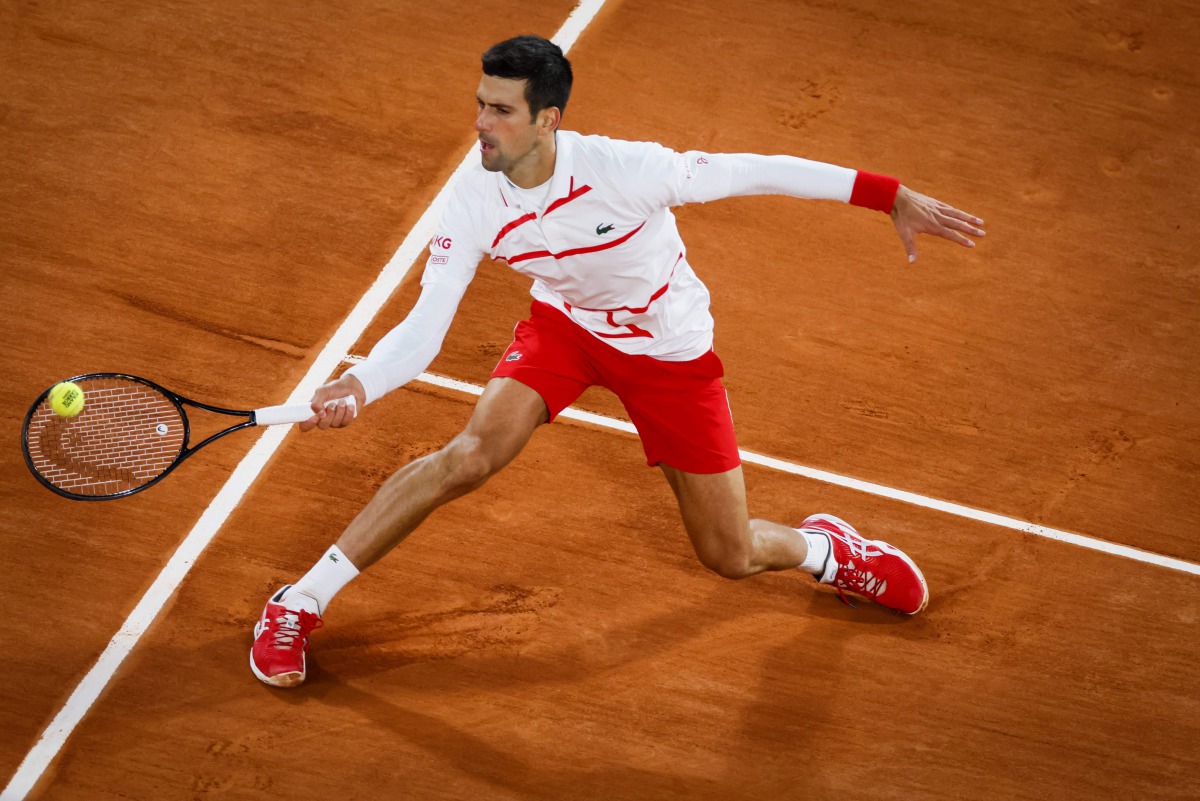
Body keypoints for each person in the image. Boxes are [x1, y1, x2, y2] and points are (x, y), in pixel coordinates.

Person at [250, 35, 985, 688]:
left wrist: (887, 195)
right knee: (470, 453)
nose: (480, 124)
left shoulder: (627, 170)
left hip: (668, 353)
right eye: (480, 104)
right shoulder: (472, 198)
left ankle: (828, 551)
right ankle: (299, 601)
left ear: (548, 121)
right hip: (565, 329)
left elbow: (757, 170)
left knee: (728, 553)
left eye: (501, 110)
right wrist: (362, 381)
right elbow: (424, 328)